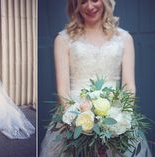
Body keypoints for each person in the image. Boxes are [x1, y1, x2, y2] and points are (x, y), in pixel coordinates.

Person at [40, 0, 152, 156]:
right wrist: (75, 120)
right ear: (76, 5)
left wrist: (121, 117)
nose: (89, 6)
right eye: (83, 2)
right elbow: (62, 88)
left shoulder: (124, 38)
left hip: (115, 113)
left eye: (94, 0)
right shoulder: (63, 40)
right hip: (75, 113)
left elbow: (129, 85)